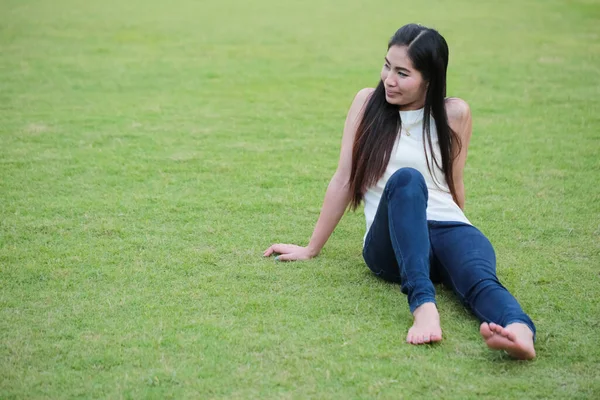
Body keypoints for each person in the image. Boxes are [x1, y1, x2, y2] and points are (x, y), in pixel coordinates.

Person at [263, 24, 536, 360]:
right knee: (408, 180)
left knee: (480, 280)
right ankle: (423, 306)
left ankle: (520, 333)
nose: (389, 79)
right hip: (389, 245)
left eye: (403, 73)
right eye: (387, 66)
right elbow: (344, 179)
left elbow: (453, 185)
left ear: (430, 79)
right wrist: (311, 247)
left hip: (447, 227)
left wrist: (461, 243)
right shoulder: (367, 103)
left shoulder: (455, 114)